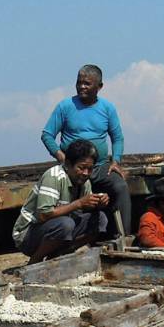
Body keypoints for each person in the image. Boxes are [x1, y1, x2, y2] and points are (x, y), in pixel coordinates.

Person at [40, 64, 131, 237]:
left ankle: (123, 236)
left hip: (99, 166)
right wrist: (62, 157)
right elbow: (47, 135)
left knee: (120, 185)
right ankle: (72, 236)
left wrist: (116, 161)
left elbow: (117, 137)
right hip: (73, 168)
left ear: (99, 86)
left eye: (87, 84)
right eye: (79, 83)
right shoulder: (65, 106)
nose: (82, 87)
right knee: (71, 198)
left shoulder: (108, 108)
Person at [13, 140, 110, 264]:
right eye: (81, 168)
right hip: (28, 235)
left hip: (58, 228)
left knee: (100, 219)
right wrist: (79, 203)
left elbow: (86, 208)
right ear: (68, 164)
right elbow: (44, 214)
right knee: (66, 224)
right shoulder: (54, 177)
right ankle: (35, 260)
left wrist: (98, 203)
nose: (86, 173)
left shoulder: (84, 182)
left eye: (90, 169)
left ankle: (59, 254)